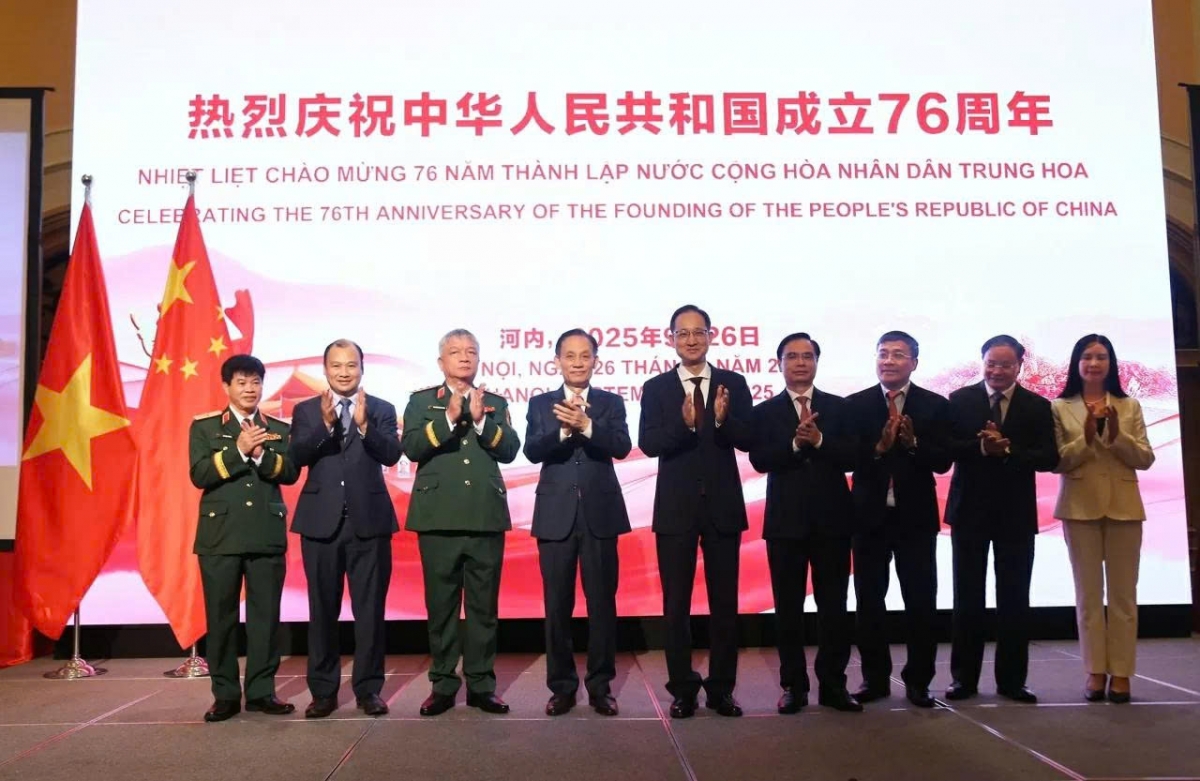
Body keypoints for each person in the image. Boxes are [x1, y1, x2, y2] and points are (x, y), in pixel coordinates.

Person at [638, 304, 755, 719]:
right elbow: (650, 444)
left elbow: (749, 440)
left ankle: (721, 688)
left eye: (698, 332)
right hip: (675, 509)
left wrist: (722, 422)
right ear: (671, 339)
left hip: (723, 506)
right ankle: (683, 688)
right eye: (682, 333)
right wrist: (684, 426)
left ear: (711, 336)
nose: (691, 339)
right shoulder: (655, 388)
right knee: (676, 605)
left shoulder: (732, 383)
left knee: (725, 603)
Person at [401, 328, 521, 716]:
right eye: (455, 352)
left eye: (471, 351)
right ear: (442, 362)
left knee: (484, 608)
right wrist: (451, 419)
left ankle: (482, 684)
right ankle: (443, 684)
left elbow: (509, 449)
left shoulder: (495, 403)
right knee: (441, 607)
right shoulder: (422, 403)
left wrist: (481, 422)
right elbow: (412, 447)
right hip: (437, 518)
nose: (464, 357)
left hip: (484, 515)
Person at [748, 332, 862, 714]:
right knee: (788, 609)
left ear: (817, 362)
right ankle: (793, 686)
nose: (800, 362)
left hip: (833, 521)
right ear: (778, 364)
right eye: (792, 356)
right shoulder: (764, 412)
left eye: (807, 356)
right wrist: (796, 445)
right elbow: (760, 460)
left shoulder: (840, 408)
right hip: (785, 523)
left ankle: (833, 685)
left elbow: (854, 456)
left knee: (834, 607)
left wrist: (821, 440)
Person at [288, 339, 402, 718]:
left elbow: (391, 454)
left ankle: (369, 690)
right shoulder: (306, 410)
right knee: (322, 611)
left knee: (370, 612)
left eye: (351, 365)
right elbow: (297, 457)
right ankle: (323, 691)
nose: (343, 371)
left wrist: (365, 426)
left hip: (369, 521)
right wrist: (325, 424)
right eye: (336, 365)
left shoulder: (382, 409)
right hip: (321, 523)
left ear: (362, 368)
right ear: (325, 369)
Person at [944, 335, 1059, 703]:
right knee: (967, 599)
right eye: (991, 363)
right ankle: (964, 679)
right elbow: (947, 450)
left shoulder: (1037, 406)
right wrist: (980, 447)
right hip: (969, 512)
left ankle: (1012, 681)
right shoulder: (960, 400)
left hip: (1015, 515)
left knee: (1014, 599)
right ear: (982, 362)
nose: (996, 370)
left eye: (1005, 365)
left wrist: (1008, 449)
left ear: (1019, 367)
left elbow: (1048, 458)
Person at [525, 329, 632, 717]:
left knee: (602, 604)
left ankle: (601, 685)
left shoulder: (609, 402)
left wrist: (586, 426)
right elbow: (533, 449)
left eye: (584, 356)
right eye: (569, 356)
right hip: (555, 517)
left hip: (600, 516)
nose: (577, 362)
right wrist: (562, 430)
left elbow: (620, 446)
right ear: (557, 362)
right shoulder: (540, 404)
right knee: (557, 606)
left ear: (595, 360)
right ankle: (563, 687)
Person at [188, 354, 300, 722]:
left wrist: (260, 452)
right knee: (220, 619)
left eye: (255, 382)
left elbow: (289, 472)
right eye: (241, 382)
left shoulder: (278, 428)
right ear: (226, 387)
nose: (250, 389)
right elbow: (201, 474)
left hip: (265, 535)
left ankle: (261, 692)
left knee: (265, 618)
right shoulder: (205, 427)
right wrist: (237, 450)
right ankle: (224, 695)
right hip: (220, 536)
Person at [845, 330, 952, 708]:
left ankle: (919, 681)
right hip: (868, 518)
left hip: (915, 518)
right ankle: (874, 679)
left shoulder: (934, 405)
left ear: (914, 363)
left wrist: (913, 444)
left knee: (921, 601)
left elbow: (942, 461)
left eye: (898, 354)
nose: (888, 361)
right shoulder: (854, 406)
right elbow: (845, 459)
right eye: (883, 354)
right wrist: (879, 448)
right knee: (869, 601)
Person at [1051, 334, 1154, 704]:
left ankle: (1122, 674)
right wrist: (1088, 435)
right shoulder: (1060, 406)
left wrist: (1115, 433)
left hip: (1125, 507)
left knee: (1125, 596)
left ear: (1111, 363)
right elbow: (1060, 461)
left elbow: (1144, 458)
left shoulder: (1129, 406)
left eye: (1101, 357)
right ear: (1076, 363)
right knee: (1088, 596)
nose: (1094, 363)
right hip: (1079, 507)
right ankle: (1095, 671)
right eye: (1087, 357)